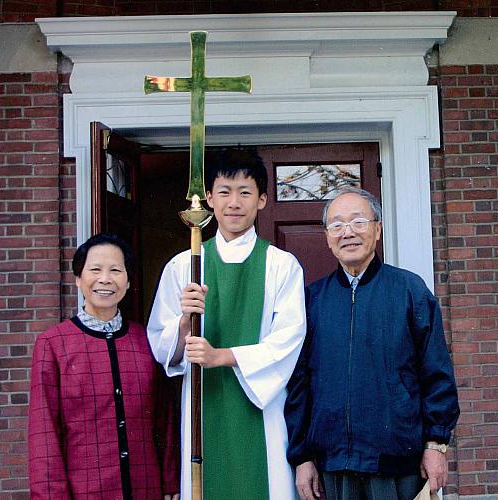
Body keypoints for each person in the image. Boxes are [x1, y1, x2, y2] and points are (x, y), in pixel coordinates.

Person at [147, 149, 307, 499]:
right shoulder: (184, 265)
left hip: (262, 409)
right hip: (202, 407)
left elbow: (289, 340)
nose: (234, 202)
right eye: (224, 191)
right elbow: (161, 345)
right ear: (208, 198)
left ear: (262, 199)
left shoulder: (282, 265)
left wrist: (222, 356)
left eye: (245, 192)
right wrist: (186, 321)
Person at [284, 186, 460, 500]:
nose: (347, 232)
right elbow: (299, 385)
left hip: (397, 465)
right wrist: (301, 456)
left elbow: (437, 375)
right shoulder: (312, 300)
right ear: (327, 237)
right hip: (333, 467)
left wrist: (436, 445)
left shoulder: (409, 291)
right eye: (337, 225)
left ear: (377, 230)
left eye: (358, 222)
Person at [28, 233, 179, 500]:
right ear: (78, 278)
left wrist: (170, 484)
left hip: (145, 487)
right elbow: (44, 433)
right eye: (95, 269)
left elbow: (164, 422)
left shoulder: (147, 340)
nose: (105, 279)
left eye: (116, 270)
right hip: (84, 490)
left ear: (128, 280)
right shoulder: (53, 344)